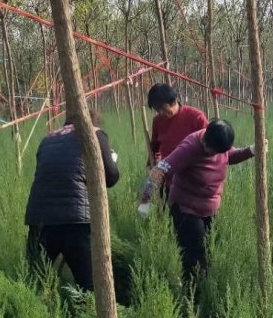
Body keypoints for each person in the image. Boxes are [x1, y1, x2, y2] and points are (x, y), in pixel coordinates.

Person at [139, 119, 254, 279]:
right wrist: (145, 200)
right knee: (195, 258)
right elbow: (159, 170)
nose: (213, 154)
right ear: (206, 139)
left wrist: (252, 150)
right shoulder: (189, 148)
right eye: (211, 150)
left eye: (217, 152)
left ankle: (202, 288)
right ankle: (192, 296)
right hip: (187, 209)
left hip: (209, 208)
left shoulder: (219, 143)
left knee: (208, 251)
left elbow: (230, 156)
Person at [25, 106, 119, 291]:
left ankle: (29, 317)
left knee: (34, 280)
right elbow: (111, 177)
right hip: (76, 220)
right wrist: (113, 160)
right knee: (87, 284)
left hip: (40, 218)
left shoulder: (48, 139)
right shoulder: (95, 135)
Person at [147, 83, 209, 166]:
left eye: (163, 108)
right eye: (157, 109)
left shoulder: (196, 117)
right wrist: (150, 165)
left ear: (173, 101)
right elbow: (154, 147)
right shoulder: (158, 121)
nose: (161, 112)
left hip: (194, 170)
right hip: (168, 170)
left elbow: (212, 142)